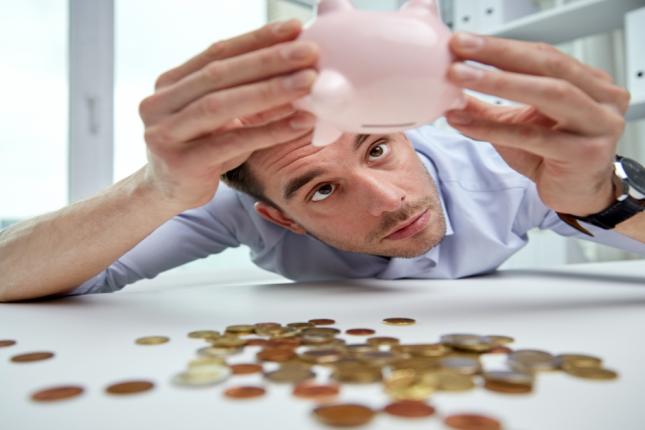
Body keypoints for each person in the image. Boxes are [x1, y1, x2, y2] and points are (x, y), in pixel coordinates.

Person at [0, 19, 643, 302]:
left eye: (378, 148)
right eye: (321, 192)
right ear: (278, 219)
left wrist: (604, 195)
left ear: (407, 132)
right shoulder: (235, 209)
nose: (390, 200)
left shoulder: (506, 165)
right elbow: (16, 277)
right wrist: (156, 190)